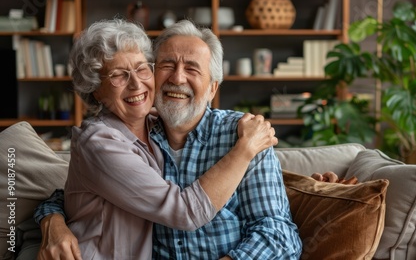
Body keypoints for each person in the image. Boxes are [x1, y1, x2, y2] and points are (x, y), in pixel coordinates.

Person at [35, 19, 303, 259]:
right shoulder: (118, 137)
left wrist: (51, 214)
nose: (177, 78)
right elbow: (182, 210)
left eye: (192, 69)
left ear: (212, 88)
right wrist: (51, 218)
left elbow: (278, 234)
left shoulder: (243, 134)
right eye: (167, 65)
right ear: (95, 91)